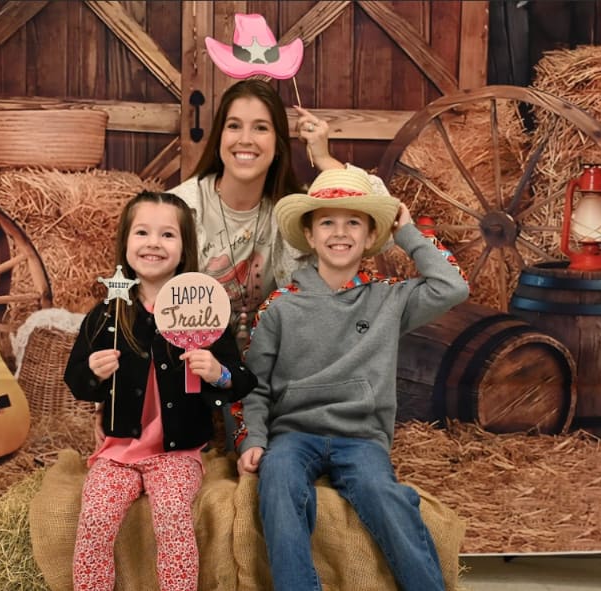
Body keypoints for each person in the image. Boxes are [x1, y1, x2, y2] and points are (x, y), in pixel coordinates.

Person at [96, 78, 387, 445]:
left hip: (273, 366)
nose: (245, 140)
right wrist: (113, 397)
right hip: (192, 367)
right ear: (220, 137)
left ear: (278, 144)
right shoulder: (181, 209)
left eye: (260, 128)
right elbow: (136, 297)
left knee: (285, 444)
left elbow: (385, 221)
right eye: (234, 126)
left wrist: (325, 158)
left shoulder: (295, 212)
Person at [236, 167, 470, 591]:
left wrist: (407, 233)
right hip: (294, 434)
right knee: (278, 479)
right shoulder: (280, 306)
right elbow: (254, 384)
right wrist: (253, 438)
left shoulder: (389, 297)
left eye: (354, 223)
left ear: (370, 235)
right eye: (327, 222)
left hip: (362, 437)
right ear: (310, 235)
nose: (340, 233)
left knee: (383, 494)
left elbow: (452, 287)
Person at [64, 191, 257, 591]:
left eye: (167, 234)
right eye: (142, 232)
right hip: (118, 452)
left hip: (176, 452)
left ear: (185, 249)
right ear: (125, 242)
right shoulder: (106, 314)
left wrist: (218, 372)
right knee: (95, 519)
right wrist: (94, 373)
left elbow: (242, 380)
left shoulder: (203, 313)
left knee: (172, 517)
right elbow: (75, 378)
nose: (153, 243)